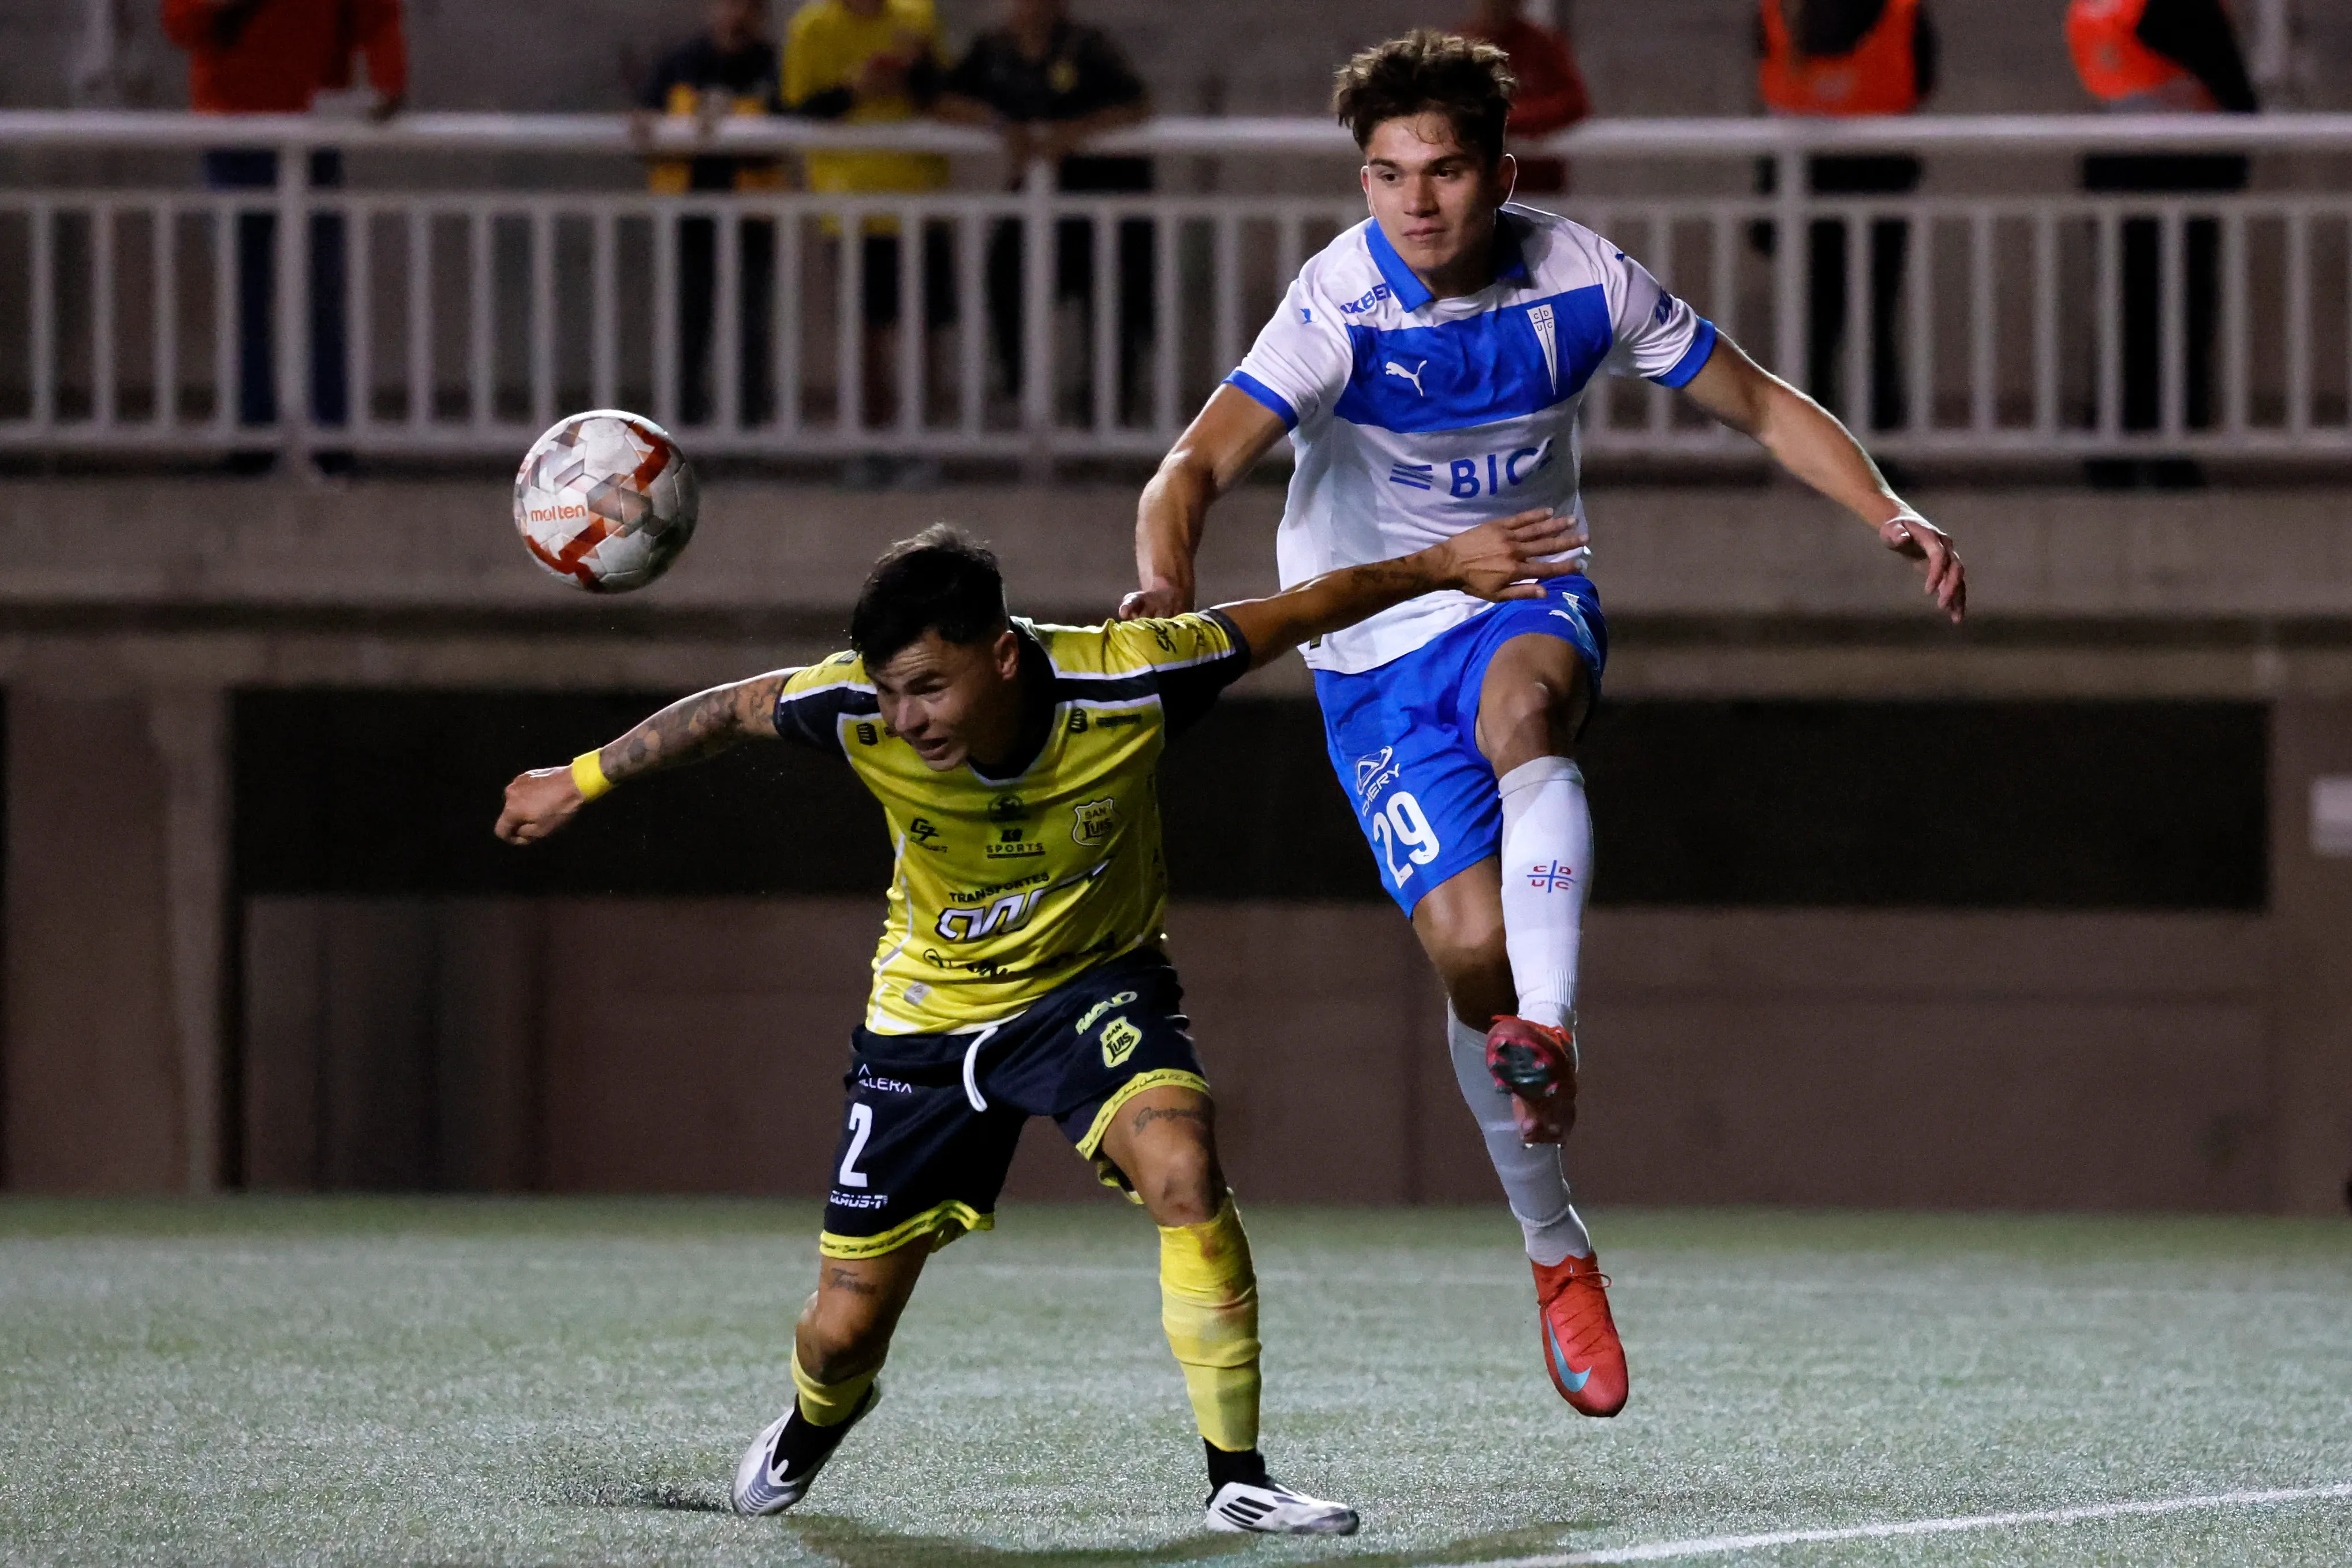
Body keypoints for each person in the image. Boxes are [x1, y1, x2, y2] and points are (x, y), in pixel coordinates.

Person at [1123, 30, 1965, 1421]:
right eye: (1387, 175)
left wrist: (1890, 509)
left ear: (1501, 172)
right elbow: (1194, 463)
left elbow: (1753, 401)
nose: (1415, 203)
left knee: (1531, 717)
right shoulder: (1340, 306)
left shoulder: (1581, 280)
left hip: (1526, 593)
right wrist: (1165, 578)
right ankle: (1555, 1244)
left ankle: (1553, 1029)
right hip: (1374, 644)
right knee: (1466, 952)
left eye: (1444, 171)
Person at [494, 512, 1580, 1532]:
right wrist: (577, 779)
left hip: (1093, 988)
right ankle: (819, 1417)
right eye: (889, 693)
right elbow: (728, 709)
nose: (906, 718)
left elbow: (1300, 608)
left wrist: (1443, 565)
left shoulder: (1135, 679)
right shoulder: (854, 708)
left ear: (1003, 653)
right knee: (839, 1334)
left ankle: (1237, 1482)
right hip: (923, 1022)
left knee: (1183, 1172)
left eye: (928, 687)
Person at [160, 0, 406, 477]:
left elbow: (376, 17)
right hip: (259, 125)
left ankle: (296, 434)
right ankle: (285, 433)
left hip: (278, 122)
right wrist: (388, 80)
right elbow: (182, 21)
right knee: (261, 290)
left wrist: (389, 78)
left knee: (290, 290)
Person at [2067, 0, 2260, 488]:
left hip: (2115, 171)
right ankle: (2170, 451)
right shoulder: (2181, 10)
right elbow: (2238, 96)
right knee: (2180, 318)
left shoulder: (2102, 8)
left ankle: (2111, 449)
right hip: (2182, 175)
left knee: (2123, 314)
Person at [935, 0, 1154, 417]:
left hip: (1103, 199)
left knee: (1113, 305)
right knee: (1005, 275)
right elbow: (944, 100)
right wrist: (1002, 126)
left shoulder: (1086, 47)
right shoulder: (994, 50)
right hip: (1038, 198)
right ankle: (1024, 397)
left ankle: (1106, 412)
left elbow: (1135, 105)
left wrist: (1069, 136)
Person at [1753, 0, 1937, 433]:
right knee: (1873, 321)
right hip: (1879, 178)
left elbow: (1770, 89)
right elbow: (1922, 81)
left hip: (1802, 180)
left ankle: (1813, 451)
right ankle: (1883, 446)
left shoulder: (1779, 13)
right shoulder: (1900, 12)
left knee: (1814, 323)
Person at [783, 0, 953, 457]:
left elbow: (945, 97)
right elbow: (797, 110)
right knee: (864, 329)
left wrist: (914, 71)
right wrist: (853, 89)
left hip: (920, 193)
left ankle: (920, 441)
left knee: (922, 326)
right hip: (850, 201)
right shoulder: (812, 28)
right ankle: (870, 442)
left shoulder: (916, 17)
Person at [637, 0, 786, 429]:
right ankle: (683, 421)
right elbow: (647, 121)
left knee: (750, 324)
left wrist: (729, 130)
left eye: (746, 8)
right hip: (687, 212)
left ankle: (749, 423)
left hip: (751, 213)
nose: (734, 15)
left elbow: (788, 129)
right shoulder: (680, 62)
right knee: (687, 320)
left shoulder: (773, 66)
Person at [1458, 0, 1591, 197]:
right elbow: (1446, 106)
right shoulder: (1462, 47)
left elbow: (1576, 102)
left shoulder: (1541, 44)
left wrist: (1509, 118)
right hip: (1478, 189)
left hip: (1539, 188)